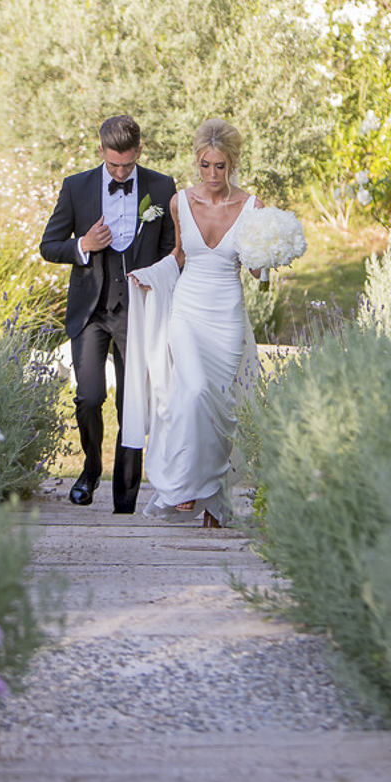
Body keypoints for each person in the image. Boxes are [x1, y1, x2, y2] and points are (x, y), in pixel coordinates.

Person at [122, 118, 262, 528]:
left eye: (220, 166)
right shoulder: (180, 202)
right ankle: (184, 485)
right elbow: (181, 254)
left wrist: (270, 256)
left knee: (220, 404)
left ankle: (214, 498)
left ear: (232, 163)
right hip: (187, 311)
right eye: (205, 165)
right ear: (196, 161)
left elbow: (255, 271)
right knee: (195, 390)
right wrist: (151, 276)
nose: (212, 175)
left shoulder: (252, 207)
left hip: (226, 313)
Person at [40, 115, 176, 513]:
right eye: (114, 164)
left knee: (131, 402)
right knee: (89, 396)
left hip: (138, 311)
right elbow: (49, 245)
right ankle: (90, 470)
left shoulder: (161, 187)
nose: (120, 172)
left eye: (128, 165)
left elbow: (171, 248)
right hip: (91, 311)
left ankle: (125, 496)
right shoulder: (76, 187)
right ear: (100, 151)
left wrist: (155, 276)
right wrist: (82, 245)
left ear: (139, 152)